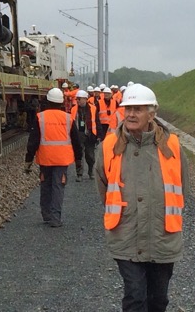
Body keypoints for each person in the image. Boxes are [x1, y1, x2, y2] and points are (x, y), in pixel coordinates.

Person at [96, 83, 186, 312]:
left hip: (162, 236)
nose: (131, 114)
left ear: (152, 114)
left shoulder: (172, 145)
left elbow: (183, 185)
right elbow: (103, 186)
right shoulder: (110, 145)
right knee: (135, 296)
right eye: (128, 109)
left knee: (158, 300)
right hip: (126, 234)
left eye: (138, 109)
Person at [24, 87, 83, 227]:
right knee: (58, 187)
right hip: (62, 159)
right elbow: (76, 142)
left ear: (48, 101)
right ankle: (55, 219)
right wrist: (79, 160)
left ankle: (46, 215)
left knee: (45, 185)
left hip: (45, 158)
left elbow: (32, 142)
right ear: (62, 102)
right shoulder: (68, 118)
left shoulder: (40, 117)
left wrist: (28, 161)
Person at [74, 88, 97, 179]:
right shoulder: (73, 109)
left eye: (79, 99)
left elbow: (97, 121)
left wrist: (99, 135)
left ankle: (91, 171)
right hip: (78, 134)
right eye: (77, 99)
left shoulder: (93, 108)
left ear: (85, 99)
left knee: (90, 155)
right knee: (79, 155)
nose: (78, 101)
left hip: (90, 135)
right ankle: (79, 174)